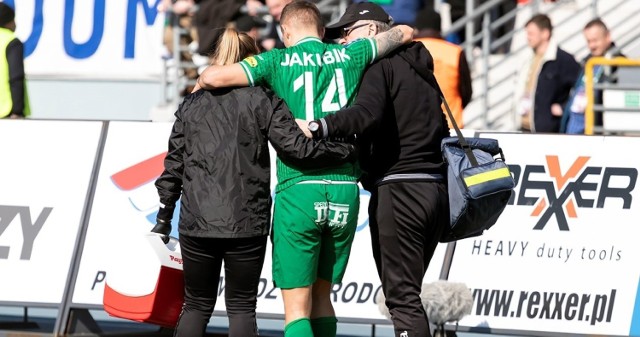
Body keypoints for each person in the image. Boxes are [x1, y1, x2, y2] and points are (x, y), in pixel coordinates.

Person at [192, 2, 414, 336]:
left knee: (297, 308)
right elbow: (406, 32)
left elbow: (212, 76)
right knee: (324, 299)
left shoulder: (277, 60)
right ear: (323, 32)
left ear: (286, 32)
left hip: (299, 188)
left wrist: (202, 85)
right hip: (344, 189)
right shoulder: (351, 55)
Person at [151, 27, 357, 337]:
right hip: (248, 219)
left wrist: (164, 218)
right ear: (251, 61)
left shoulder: (190, 105)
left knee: (195, 306)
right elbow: (297, 148)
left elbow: (173, 167)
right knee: (242, 307)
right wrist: (347, 147)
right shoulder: (263, 99)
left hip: (196, 222)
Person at [300, 4, 450, 337]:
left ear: (370, 31)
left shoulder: (380, 65)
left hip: (401, 193)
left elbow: (365, 115)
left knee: (402, 299)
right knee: (407, 294)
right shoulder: (421, 66)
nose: (342, 42)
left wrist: (319, 125)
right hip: (434, 191)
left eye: (346, 32)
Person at [513, 13, 580, 133]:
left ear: (545, 33)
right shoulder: (527, 59)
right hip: (524, 128)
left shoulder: (563, 60)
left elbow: (582, 86)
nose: (528, 37)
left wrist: (564, 107)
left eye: (531, 34)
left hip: (548, 132)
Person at [561, 18, 624, 134]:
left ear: (608, 37)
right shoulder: (586, 62)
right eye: (588, 41)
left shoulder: (620, 64)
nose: (592, 45)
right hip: (573, 130)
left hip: (595, 133)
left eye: (595, 40)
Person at [414, 7, 472, 128]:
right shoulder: (455, 51)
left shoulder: (407, 51)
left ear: (417, 28)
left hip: (416, 127)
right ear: (439, 28)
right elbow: (466, 91)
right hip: (451, 125)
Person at [0, 3, 29, 119]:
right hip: (7, 109)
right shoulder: (11, 41)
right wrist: (17, 110)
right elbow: (16, 76)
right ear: (8, 22)